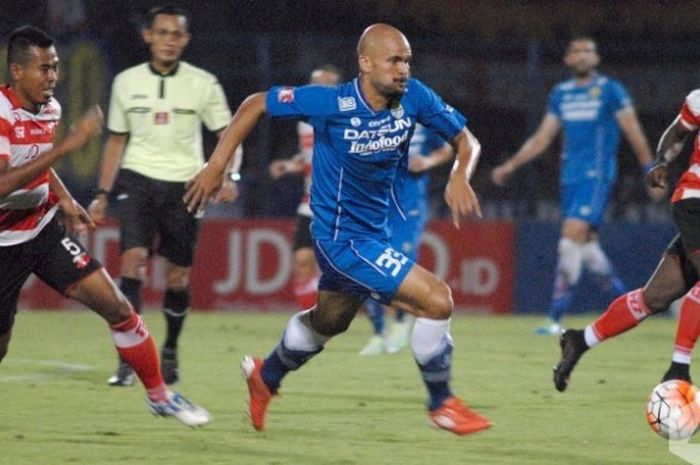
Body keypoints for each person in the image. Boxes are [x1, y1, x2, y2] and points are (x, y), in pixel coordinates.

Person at [185, 23, 492, 436]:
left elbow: (466, 139)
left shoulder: (414, 96)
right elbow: (256, 104)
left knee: (330, 320)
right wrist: (216, 167)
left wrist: (460, 173)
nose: (403, 69)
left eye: (407, 61)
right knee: (438, 300)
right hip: (340, 239)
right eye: (394, 60)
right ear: (365, 63)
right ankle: (442, 404)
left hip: (372, 234)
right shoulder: (330, 102)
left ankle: (266, 376)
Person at [0, 25, 210, 427]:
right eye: (43, 69)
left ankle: (160, 395)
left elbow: (39, 161)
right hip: (3, 243)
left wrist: (63, 198)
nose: (52, 77)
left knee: (117, 305)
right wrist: (67, 148)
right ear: (17, 72)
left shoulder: (51, 109)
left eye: (56, 67)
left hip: (42, 231)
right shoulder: (1, 113)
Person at [88, 5, 238, 387]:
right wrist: (103, 192)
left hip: (185, 185)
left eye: (177, 34)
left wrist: (227, 174)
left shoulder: (203, 83)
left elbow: (229, 135)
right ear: (148, 36)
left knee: (177, 277)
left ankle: (169, 349)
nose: (169, 40)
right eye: (163, 32)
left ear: (185, 40)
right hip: (137, 181)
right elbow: (116, 141)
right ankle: (129, 359)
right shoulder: (126, 82)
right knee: (132, 263)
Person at [491, 36, 658, 335]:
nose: (583, 56)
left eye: (589, 51)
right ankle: (631, 306)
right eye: (577, 51)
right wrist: (511, 165)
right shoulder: (561, 93)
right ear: (568, 59)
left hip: (596, 176)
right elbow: (542, 138)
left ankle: (555, 318)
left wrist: (650, 171)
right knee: (588, 247)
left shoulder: (610, 90)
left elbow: (633, 131)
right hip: (569, 178)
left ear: (596, 59)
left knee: (569, 239)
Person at [554, 88, 700, 391]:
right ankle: (678, 368)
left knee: (655, 297)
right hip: (695, 200)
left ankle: (581, 340)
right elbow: (677, 133)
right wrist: (661, 162)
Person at [360, 123, 453, 355]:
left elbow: (447, 149)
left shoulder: (421, 116)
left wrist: (427, 161)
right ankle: (378, 333)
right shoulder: (370, 117)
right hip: (373, 203)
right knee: (364, 266)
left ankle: (401, 322)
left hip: (408, 205)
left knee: (400, 264)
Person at [268, 65, 342, 311]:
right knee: (301, 262)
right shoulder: (304, 123)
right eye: (316, 85)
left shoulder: (349, 122)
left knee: (346, 272)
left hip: (343, 207)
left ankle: (388, 324)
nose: (321, 90)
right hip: (310, 204)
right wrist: (289, 166)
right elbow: (309, 158)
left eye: (328, 86)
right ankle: (309, 325)